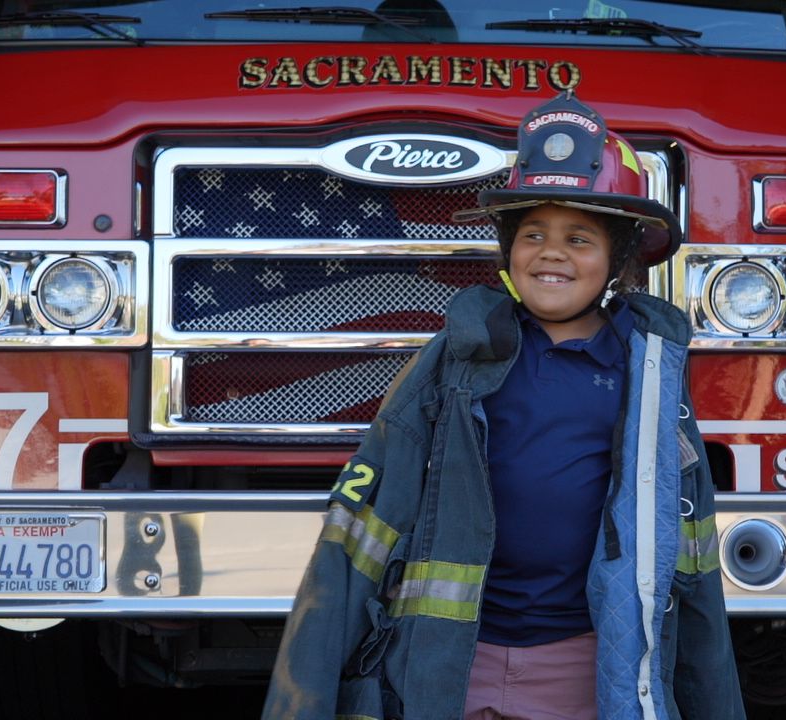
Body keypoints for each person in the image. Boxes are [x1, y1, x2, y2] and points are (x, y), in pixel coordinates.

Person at [263, 93, 744, 720]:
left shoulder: (650, 377)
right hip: (452, 670)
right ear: (507, 250)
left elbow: (691, 563)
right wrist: (302, 700)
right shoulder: (454, 364)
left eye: (579, 238)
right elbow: (356, 538)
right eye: (532, 234)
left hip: (590, 670)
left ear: (620, 259)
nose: (551, 252)